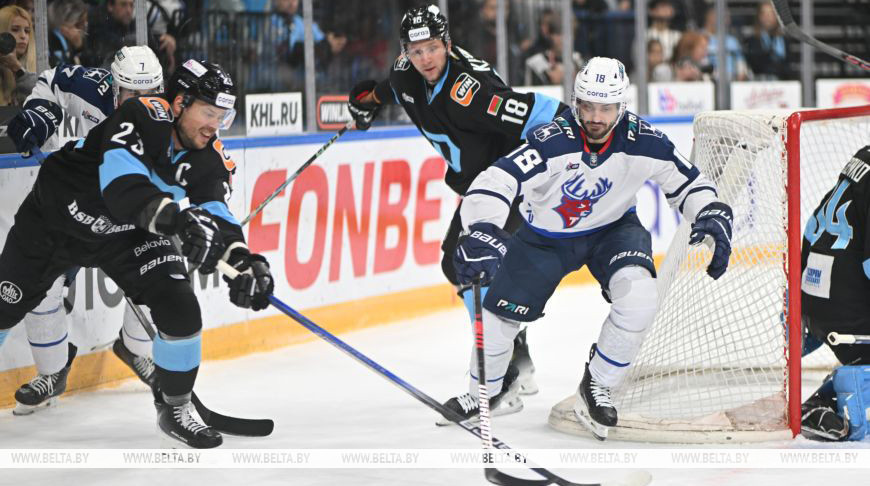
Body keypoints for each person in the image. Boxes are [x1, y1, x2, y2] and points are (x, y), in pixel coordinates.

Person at [445, 57, 733, 439]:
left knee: (639, 298)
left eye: (606, 108)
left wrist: (710, 209)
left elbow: (688, 183)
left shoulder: (644, 141)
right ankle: (489, 390)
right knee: (497, 320)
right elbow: (497, 180)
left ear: (622, 106)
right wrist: (482, 227)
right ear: (575, 102)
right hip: (544, 238)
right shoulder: (552, 141)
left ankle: (598, 384)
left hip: (614, 231)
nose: (596, 117)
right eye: (588, 106)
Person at [0, 58, 274, 448]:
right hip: (54, 222)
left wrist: (245, 261)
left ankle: (175, 409)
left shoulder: (208, 153)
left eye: (222, 117)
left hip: (125, 234)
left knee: (180, 305)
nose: (214, 125)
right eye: (208, 113)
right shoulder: (140, 115)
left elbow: (218, 212)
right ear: (179, 103)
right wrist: (179, 222)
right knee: (4, 307)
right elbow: (122, 188)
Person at [347, 4, 567, 400]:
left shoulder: (473, 90)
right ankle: (514, 352)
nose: (425, 59)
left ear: (447, 44)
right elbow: (394, 86)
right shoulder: (405, 73)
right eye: (416, 51)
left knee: (475, 267)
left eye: (432, 48)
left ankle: (499, 378)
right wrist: (370, 98)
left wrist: (586, 137)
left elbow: (542, 111)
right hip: (480, 187)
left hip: (510, 184)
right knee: (456, 264)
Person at [6, 46, 166, 415]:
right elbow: (51, 81)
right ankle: (53, 372)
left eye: (150, 93)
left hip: (130, 213)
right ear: (114, 88)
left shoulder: (169, 116)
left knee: (156, 277)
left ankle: (135, 350)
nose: (142, 103)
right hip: (76, 205)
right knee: (42, 286)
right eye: (132, 94)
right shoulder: (92, 87)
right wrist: (41, 113)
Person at [800, 145, 870, 442]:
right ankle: (856, 385)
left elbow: (810, 232)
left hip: (816, 297)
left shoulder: (865, 155)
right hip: (847, 314)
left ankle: (834, 393)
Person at [745, 0, 789, 81]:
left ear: (777, 17)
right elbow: (756, 65)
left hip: (782, 83)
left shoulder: (785, 40)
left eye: (771, 14)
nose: (767, 17)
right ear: (759, 17)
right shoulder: (753, 40)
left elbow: (787, 66)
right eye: (764, 14)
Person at [0, 4, 35, 106]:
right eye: (15, 30)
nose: (23, 36)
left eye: (27, 31)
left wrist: (18, 69)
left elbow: (46, 95)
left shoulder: (39, 64)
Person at [47, 0, 88, 67]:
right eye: (79, 24)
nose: (84, 27)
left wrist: (79, 47)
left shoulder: (70, 43)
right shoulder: (52, 44)